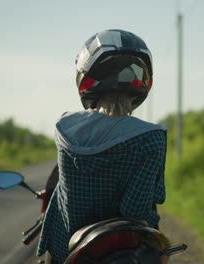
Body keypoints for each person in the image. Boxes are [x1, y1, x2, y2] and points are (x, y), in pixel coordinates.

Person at [37, 29, 167, 264]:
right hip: (124, 252)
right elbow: (134, 210)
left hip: (67, 250)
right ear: (143, 80)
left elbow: (64, 200)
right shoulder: (152, 137)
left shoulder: (64, 129)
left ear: (86, 76)